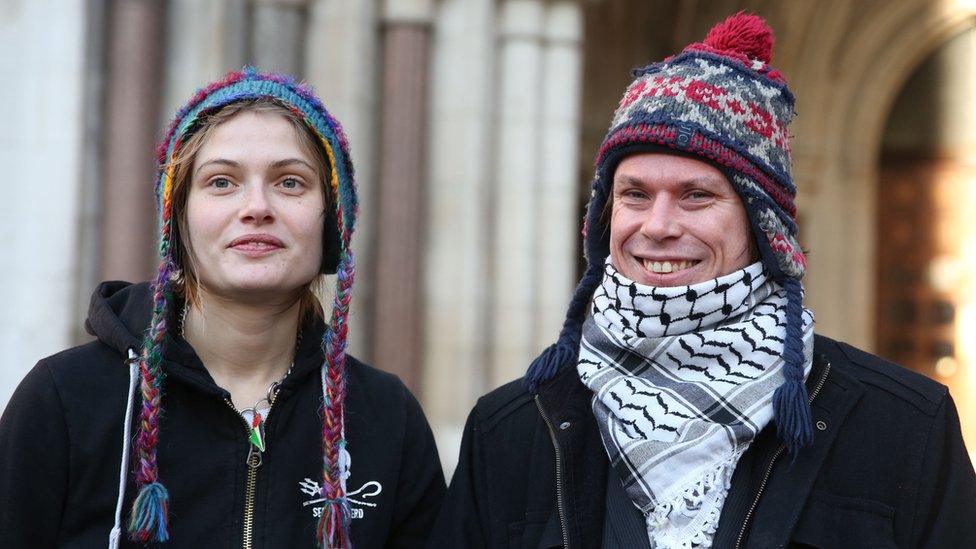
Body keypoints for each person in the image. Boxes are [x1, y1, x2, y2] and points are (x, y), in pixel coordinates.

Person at [430, 13, 976, 548]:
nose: (658, 226)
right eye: (634, 194)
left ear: (763, 224)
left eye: (697, 195)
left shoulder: (904, 426)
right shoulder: (512, 429)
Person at [0, 68, 445, 548]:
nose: (256, 206)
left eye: (291, 182)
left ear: (332, 223)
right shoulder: (64, 401)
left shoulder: (386, 417)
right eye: (221, 182)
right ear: (179, 220)